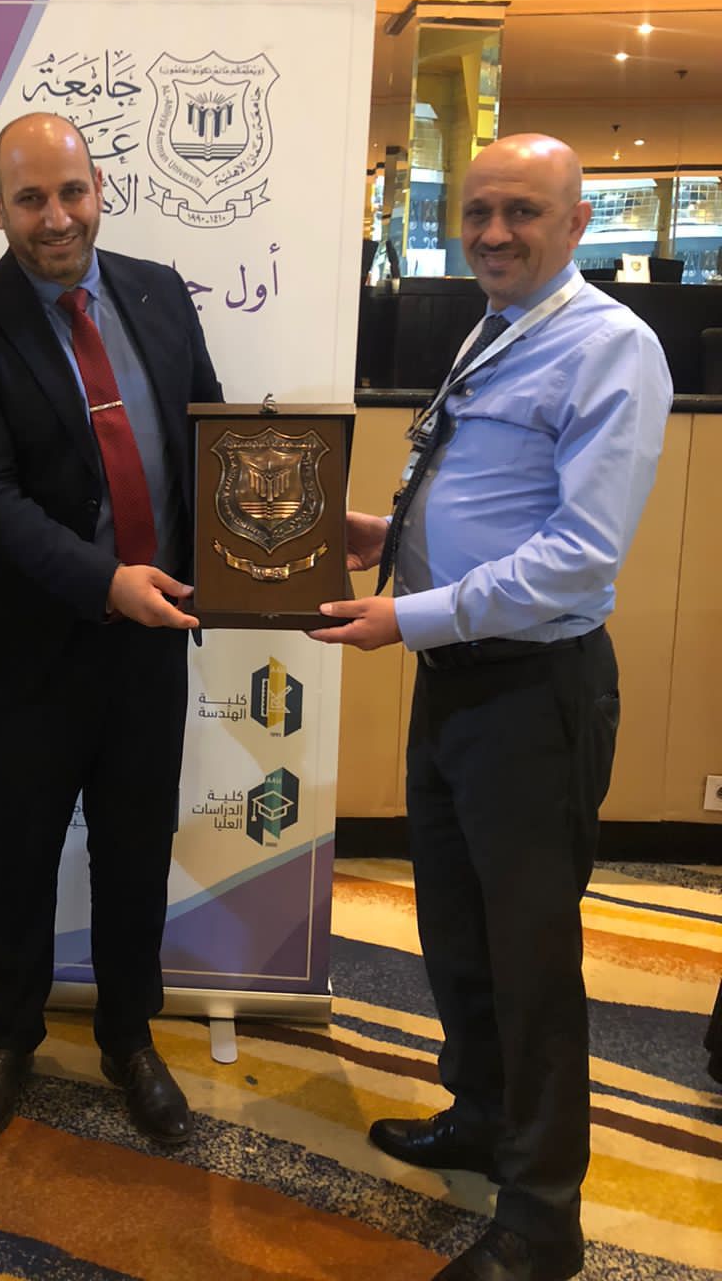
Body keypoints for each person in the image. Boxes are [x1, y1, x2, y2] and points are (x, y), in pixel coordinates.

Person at [311, 134, 672, 1281]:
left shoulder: (611, 348)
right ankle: (480, 1115)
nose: (495, 233)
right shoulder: (497, 325)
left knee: (531, 961)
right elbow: (492, 496)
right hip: (457, 681)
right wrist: (388, 535)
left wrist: (408, 616)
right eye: (478, 211)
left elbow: (578, 556)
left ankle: (542, 1217)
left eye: (522, 211)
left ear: (578, 223)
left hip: (533, 693)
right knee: (457, 930)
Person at [0, 112, 222, 1149]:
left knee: (137, 848)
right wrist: (105, 583)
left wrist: (287, 534)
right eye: (32, 199)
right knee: (22, 846)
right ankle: (9, 1036)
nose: (56, 217)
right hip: (32, 641)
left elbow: (211, 436)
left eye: (72, 192)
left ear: (100, 190)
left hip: (153, 633)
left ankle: (129, 1038)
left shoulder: (159, 293)